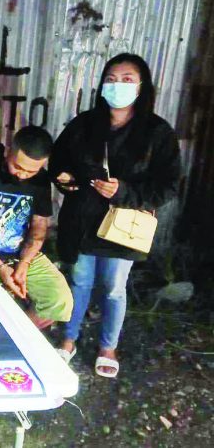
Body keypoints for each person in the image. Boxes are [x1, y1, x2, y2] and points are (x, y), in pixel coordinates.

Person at [50, 53, 181, 378]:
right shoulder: (84, 123)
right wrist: (64, 180)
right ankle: (69, 339)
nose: (117, 85)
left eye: (126, 79)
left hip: (123, 226)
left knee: (113, 287)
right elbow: (58, 161)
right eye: (111, 78)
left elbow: (168, 185)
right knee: (79, 281)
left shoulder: (157, 132)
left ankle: (108, 346)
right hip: (82, 222)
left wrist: (124, 192)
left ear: (142, 86)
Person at [0, 126, 73, 329]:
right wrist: (1, 268)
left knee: (59, 299)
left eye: (31, 171)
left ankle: (16, 335)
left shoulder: (41, 179)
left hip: (20, 253)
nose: (23, 175)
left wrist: (24, 263)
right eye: (18, 167)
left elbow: (39, 227)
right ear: (9, 150)